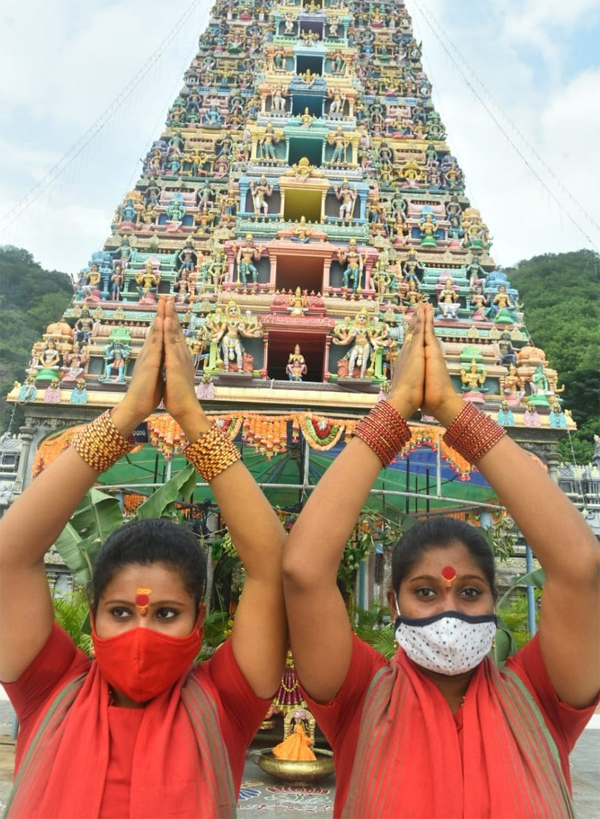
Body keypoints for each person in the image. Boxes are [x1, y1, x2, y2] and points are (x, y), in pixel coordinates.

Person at [283, 302, 599, 818]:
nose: (448, 608)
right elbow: (303, 569)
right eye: (425, 591)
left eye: (469, 591)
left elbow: (579, 564)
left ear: (494, 601)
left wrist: (452, 408)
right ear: (393, 601)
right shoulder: (360, 696)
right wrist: (397, 406)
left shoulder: (540, 697)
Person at [0, 297, 287, 818]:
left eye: (166, 614)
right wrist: (127, 414)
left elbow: (271, 569)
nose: (140, 632)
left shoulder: (225, 704)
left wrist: (191, 417)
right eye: (121, 612)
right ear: (92, 617)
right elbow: (9, 555)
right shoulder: (49, 690)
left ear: (200, 621)